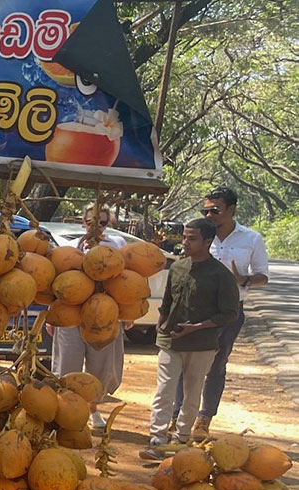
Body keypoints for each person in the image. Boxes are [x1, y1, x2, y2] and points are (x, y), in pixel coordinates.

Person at [174, 186, 270, 439]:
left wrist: (244, 279)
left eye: (215, 210)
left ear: (231, 209)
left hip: (228, 312)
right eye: (205, 210)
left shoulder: (251, 239)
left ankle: (204, 420)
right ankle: (177, 417)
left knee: (216, 364)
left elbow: (263, 276)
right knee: (184, 362)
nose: (209, 215)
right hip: (193, 309)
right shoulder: (197, 236)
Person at [141, 218, 240, 459]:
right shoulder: (177, 267)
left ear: (208, 242)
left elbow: (230, 314)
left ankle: (181, 438)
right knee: (164, 390)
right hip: (170, 341)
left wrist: (196, 328)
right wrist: (160, 323)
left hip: (202, 345)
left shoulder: (221, 275)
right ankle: (157, 438)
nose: (186, 242)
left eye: (192, 238)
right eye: (185, 237)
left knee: (192, 391)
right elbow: (167, 301)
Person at [51, 205, 127, 433]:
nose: (96, 228)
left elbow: (124, 281)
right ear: (84, 222)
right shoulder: (71, 248)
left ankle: (93, 409)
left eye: (102, 223)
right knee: (67, 367)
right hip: (72, 316)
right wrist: (52, 315)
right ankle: (65, 413)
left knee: (101, 369)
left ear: (109, 223)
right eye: (92, 222)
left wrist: (125, 313)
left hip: (104, 318)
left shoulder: (117, 246)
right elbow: (60, 282)